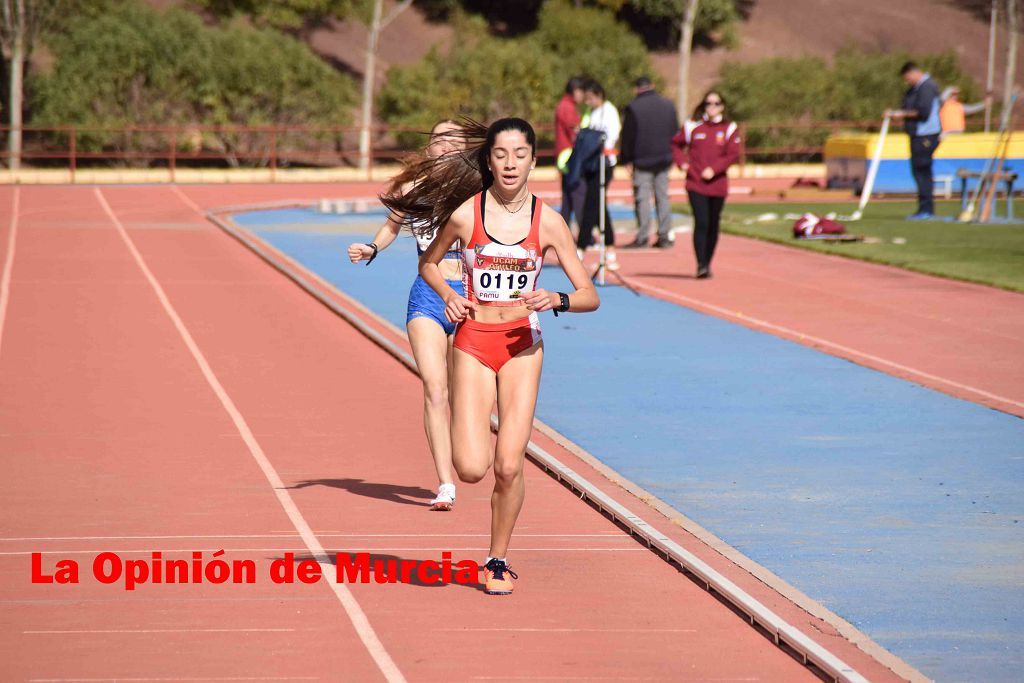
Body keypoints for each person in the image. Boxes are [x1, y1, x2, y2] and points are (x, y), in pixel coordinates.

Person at [383, 118, 600, 595]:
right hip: (474, 343)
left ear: (533, 161)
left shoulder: (548, 221)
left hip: (523, 346)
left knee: (508, 466)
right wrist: (448, 295)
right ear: (488, 160)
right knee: (472, 468)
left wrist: (557, 299)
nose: (510, 163)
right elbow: (429, 262)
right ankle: (470, 432)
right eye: (501, 154)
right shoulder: (466, 215)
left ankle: (497, 559)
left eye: (520, 154)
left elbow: (589, 294)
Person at [348, 120, 465, 512]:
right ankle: (445, 482)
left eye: (455, 139)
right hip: (428, 295)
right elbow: (389, 227)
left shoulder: (479, 188)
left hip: (470, 297)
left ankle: (468, 452)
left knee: (463, 393)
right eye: (439, 139)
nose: (446, 145)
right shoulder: (410, 189)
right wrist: (372, 248)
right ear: (429, 148)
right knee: (435, 389)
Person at [671, 90, 741, 279]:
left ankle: (708, 261)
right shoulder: (693, 126)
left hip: (718, 184)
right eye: (709, 103)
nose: (712, 107)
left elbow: (733, 154)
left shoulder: (729, 128)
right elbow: (676, 144)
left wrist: (715, 169)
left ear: (722, 106)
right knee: (701, 222)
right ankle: (701, 264)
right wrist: (682, 163)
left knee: (713, 224)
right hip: (696, 183)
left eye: (716, 103)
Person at [620, 75, 679, 249]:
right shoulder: (668, 105)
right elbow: (675, 131)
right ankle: (665, 235)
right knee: (663, 197)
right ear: (652, 86)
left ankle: (643, 236)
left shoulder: (634, 107)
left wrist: (626, 159)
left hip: (642, 160)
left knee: (642, 198)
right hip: (664, 157)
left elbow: (628, 136)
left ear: (637, 88)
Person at [886, 62, 942, 220]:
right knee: (918, 171)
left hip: (925, 135)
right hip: (916, 134)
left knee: (922, 170)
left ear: (913, 73)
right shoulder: (915, 89)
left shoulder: (927, 87)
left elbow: (924, 112)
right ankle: (924, 208)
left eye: (907, 77)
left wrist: (901, 114)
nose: (907, 81)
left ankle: (927, 209)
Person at [576, 80, 621, 270]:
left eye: (591, 98)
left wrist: (602, 146)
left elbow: (613, 134)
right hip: (591, 164)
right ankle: (610, 249)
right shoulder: (591, 113)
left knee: (592, 205)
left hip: (604, 164)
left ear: (599, 95)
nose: (588, 102)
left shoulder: (609, 111)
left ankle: (581, 247)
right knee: (599, 205)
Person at [555, 76, 586, 228]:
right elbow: (574, 132)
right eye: (582, 91)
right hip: (570, 157)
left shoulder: (564, 105)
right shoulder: (567, 107)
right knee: (578, 195)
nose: (583, 95)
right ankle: (585, 235)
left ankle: (563, 230)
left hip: (564, 157)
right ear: (575, 90)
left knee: (567, 199)